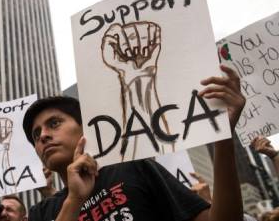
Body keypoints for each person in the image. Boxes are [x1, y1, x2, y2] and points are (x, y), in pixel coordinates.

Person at [23, 65, 245, 221]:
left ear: (85, 129)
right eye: (35, 135)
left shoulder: (132, 168)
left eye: (54, 123)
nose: (42, 135)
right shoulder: (40, 213)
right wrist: (74, 199)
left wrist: (223, 138)